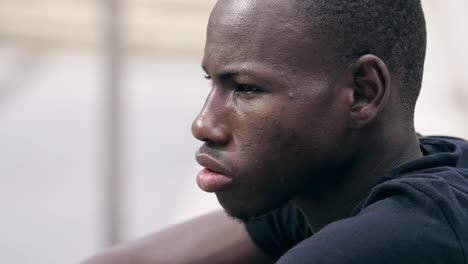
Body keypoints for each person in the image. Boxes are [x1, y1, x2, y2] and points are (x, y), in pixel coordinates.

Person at [82, 0, 468, 263]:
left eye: (246, 88)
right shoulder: (346, 188)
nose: (203, 124)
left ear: (363, 92)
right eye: (211, 82)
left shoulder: (394, 240)